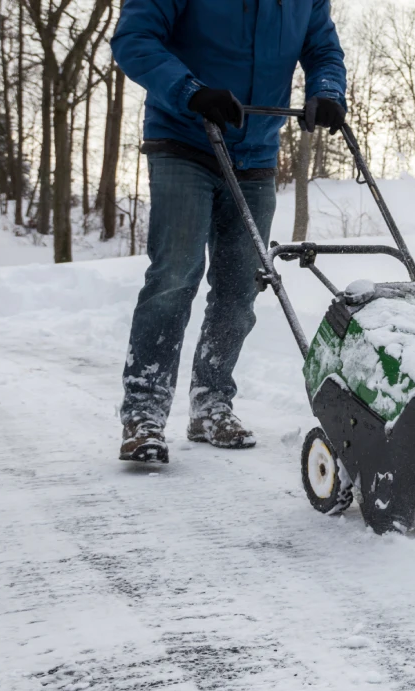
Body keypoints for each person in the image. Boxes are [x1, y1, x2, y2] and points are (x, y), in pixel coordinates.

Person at [111, 0, 347, 463]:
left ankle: (211, 403)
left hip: (255, 151)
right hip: (183, 138)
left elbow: (323, 51)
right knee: (174, 276)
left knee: (241, 286)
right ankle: (143, 415)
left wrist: (327, 92)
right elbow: (133, 39)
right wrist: (190, 90)